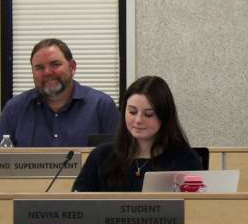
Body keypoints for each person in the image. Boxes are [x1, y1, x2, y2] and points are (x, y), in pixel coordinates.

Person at [72, 75, 200, 192]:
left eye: (148, 114)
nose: (138, 120)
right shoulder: (101, 156)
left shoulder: (185, 159)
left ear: (164, 116)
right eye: (132, 112)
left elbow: (198, 205)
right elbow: (77, 202)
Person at [0, 38, 119, 147]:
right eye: (39, 67)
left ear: (72, 67)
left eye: (55, 64)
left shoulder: (101, 106)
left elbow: (119, 159)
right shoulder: (15, 108)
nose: (47, 72)